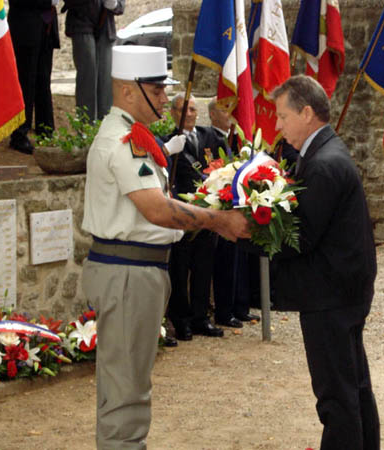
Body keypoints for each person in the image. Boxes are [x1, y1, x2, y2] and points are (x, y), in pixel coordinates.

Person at [81, 45, 250, 449]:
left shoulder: (133, 137)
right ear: (127, 93)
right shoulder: (122, 142)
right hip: (128, 273)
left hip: (137, 271)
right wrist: (219, 220)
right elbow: (156, 209)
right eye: (156, 90)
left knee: (127, 382)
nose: (163, 98)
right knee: (127, 391)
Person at [271, 75, 380, 450]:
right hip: (343, 290)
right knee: (354, 386)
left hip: (330, 295)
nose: (277, 126)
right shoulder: (324, 152)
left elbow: (301, 237)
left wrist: (249, 232)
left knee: (336, 396)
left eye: (283, 116)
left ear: (306, 113)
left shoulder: (323, 163)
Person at [165, 94, 229, 340]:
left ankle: (201, 317)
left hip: (209, 209)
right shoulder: (169, 142)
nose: (190, 114)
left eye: (193, 109)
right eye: (184, 109)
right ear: (173, 112)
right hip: (183, 212)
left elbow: (220, 165)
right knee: (180, 269)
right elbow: (178, 174)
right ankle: (181, 320)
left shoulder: (209, 136)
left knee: (204, 266)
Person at [209, 99, 260, 328]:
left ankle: (241, 306)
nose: (229, 113)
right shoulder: (209, 137)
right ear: (211, 115)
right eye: (223, 109)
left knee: (241, 261)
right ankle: (224, 311)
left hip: (239, 206)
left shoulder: (239, 136)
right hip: (220, 208)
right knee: (225, 264)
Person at [7, 0, 60, 155]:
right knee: (26, 81)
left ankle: (46, 129)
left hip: (46, 24)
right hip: (26, 24)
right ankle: (19, 133)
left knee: (44, 79)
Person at [62, 0, 125, 121]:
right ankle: (86, 126)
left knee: (106, 80)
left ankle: (105, 124)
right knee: (88, 78)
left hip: (106, 27)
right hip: (81, 23)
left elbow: (120, 7)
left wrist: (114, 4)